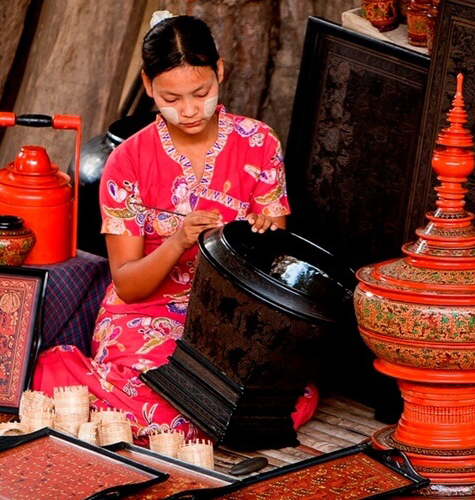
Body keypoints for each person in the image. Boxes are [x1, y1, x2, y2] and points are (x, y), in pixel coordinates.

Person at [33, 11, 317, 442]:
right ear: (148, 86)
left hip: (233, 318)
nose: (188, 110)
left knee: (290, 397)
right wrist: (179, 240)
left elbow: (278, 272)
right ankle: (69, 374)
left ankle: (133, 411)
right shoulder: (126, 161)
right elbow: (128, 285)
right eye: (171, 98)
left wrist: (260, 237)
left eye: (201, 93)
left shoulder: (259, 144)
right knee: (176, 397)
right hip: (145, 314)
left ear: (220, 73)